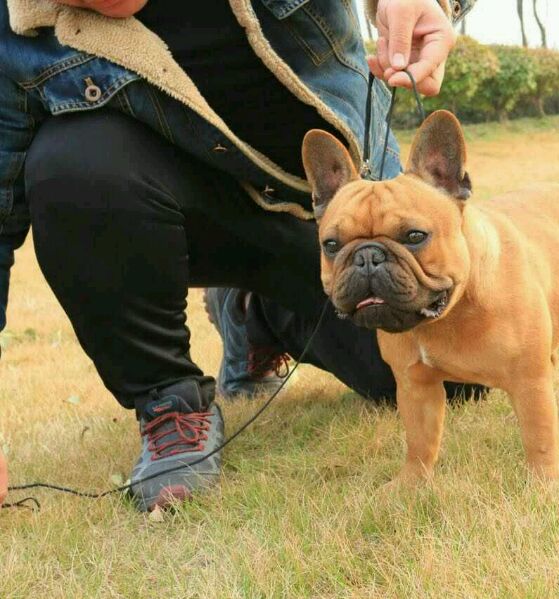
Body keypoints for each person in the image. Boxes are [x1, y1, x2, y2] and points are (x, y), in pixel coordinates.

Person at [0, 0, 478, 511]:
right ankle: (168, 397)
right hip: (161, 223)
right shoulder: (15, 26)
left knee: (451, 381)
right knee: (71, 161)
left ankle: (256, 316)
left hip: (324, 223)